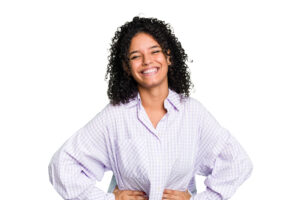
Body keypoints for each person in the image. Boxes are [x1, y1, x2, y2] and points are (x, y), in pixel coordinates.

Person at [48, 16, 253, 200]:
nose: (147, 61)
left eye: (155, 51)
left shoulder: (193, 113)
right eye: (136, 56)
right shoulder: (114, 116)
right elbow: (63, 166)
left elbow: (237, 163)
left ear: (168, 57)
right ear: (127, 67)